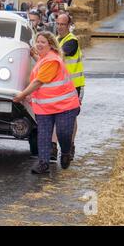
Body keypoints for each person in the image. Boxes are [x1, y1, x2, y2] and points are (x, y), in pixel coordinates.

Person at [13, 31, 80, 174]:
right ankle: (43, 163)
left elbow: (38, 81)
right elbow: (40, 66)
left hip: (64, 106)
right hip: (44, 106)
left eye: (43, 42)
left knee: (63, 133)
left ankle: (66, 152)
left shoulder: (52, 60)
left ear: (50, 44)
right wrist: (34, 55)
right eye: (37, 41)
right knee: (43, 135)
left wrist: (22, 95)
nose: (39, 44)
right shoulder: (43, 59)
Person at [50, 14, 85, 162]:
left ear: (68, 25)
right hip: (59, 85)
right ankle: (53, 146)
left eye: (62, 24)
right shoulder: (57, 40)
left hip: (74, 85)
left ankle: (70, 145)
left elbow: (60, 54)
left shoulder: (72, 41)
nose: (59, 27)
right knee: (55, 114)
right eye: (57, 24)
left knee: (71, 117)